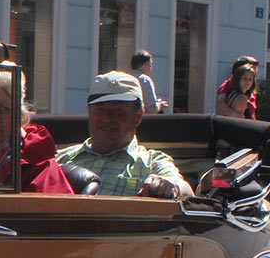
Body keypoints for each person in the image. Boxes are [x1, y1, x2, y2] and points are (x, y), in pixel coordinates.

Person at [56, 70, 192, 200]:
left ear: (138, 116)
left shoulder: (153, 163)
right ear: (89, 112)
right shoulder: (60, 159)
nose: (107, 119)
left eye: (117, 112)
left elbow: (184, 191)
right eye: (100, 110)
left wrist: (171, 187)